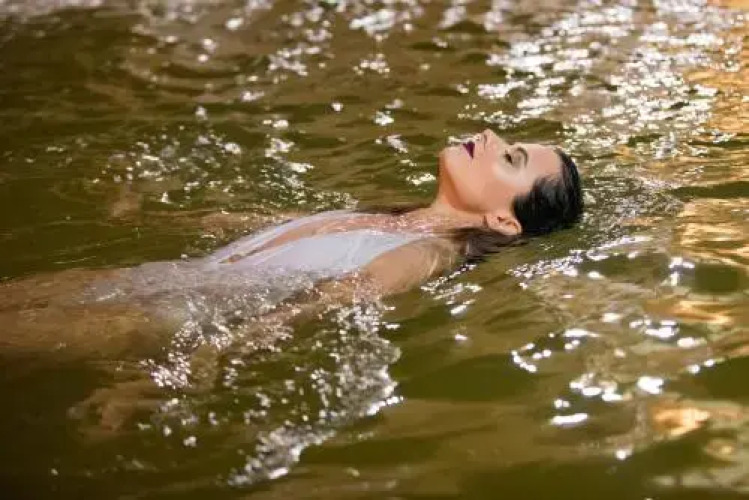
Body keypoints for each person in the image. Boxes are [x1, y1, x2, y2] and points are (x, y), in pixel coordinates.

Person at [0, 129, 582, 361]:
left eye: (511, 158)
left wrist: (213, 352)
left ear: (504, 221)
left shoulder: (430, 253)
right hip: (151, 279)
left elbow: (338, 297)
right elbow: (240, 225)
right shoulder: (388, 217)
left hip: (163, 315)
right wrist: (145, 212)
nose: (490, 135)